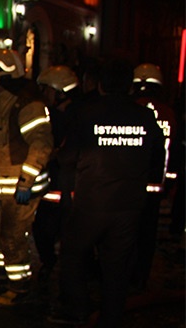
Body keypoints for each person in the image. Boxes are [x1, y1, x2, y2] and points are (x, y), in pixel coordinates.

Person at [49, 58, 165, 327]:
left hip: (91, 202)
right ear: (129, 86)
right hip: (128, 205)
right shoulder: (145, 117)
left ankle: (78, 309)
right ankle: (111, 317)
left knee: (74, 254)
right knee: (117, 266)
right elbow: (158, 159)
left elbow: (67, 157)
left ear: (100, 84)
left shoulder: (86, 113)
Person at [0, 49, 54, 306]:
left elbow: (41, 144)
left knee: (12, 236)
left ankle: (19, 286)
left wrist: (27, 181)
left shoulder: (28, 103)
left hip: (17, 187)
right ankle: (0, 277)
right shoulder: (1, 99)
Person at [32, 65, 82, 284]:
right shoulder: (75, 114)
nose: (43, 95)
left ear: (59, 91)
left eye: (46, 90)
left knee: (50, 230)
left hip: (63, 186)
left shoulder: (68, 119)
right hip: (62, 185)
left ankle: (62, 273)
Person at [130, 63, 177, 292]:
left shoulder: (131, 111)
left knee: (127, 233)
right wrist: (170, 182)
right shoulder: (168, 113)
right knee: (147, 234)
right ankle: (141, 277)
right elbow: (174, 149)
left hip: (131, 184)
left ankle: (126, 277)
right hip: (156, 185)